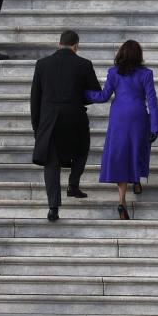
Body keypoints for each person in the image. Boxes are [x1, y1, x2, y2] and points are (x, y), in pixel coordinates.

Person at [86, 40, 158, 220]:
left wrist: (83, 93)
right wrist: (155, 125)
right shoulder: (146, 74)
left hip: (119, 117)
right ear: (139, 55)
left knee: (121, 155)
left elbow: (103, 96)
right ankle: (136, 180)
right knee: (137, 149)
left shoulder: (113, 73)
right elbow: (152, 101)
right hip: (138, 116)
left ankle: (122, 200)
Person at [31, 30, 101, 221]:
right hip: (74, 118)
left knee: (51, 164)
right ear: (76, 45)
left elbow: (35, 99)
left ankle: (53, 207)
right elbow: (95, 93)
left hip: (49, 120)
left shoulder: (42, 64)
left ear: (59, 43)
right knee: (82, 149)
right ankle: (73, 184)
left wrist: (37, 128)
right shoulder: (84, 64)